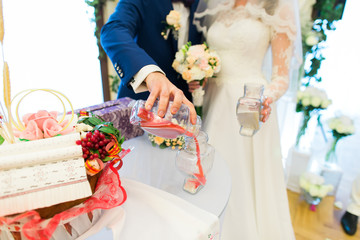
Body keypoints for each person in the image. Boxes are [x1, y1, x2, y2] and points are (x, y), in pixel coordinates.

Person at [193, 0, 302, 239]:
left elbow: (281, 77)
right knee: (212, 172)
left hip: (249, 104)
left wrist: (266, 97)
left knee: (242, 178)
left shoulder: (278, 8)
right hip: (215, 101)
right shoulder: (219, 5)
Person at [100, 0, 203, 125]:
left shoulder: (202, 5)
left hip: (182, 113)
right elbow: (113, 30)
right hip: (140, 108)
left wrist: (199, 75)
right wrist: (150, 73)